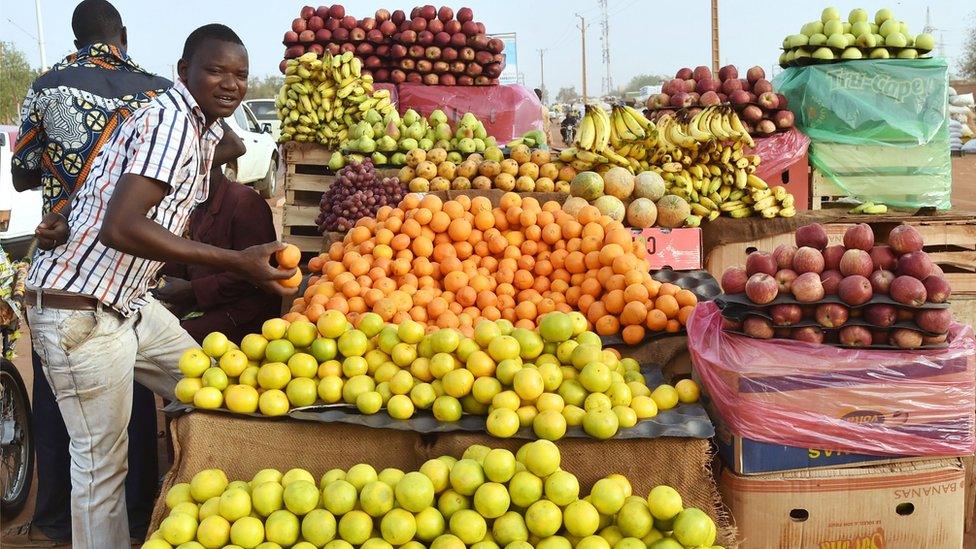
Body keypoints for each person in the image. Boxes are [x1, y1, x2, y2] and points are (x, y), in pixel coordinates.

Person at [23, 23, 295, 549]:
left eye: (240, 74)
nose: (231, 84)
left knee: (215, 386)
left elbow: (107, 171)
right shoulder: (170, 119)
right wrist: (237, 262)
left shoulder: (191, 125)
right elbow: (122, 226)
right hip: (81, 314)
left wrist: (64, 213)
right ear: (182, 72)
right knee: (102, 468)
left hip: (129, 304)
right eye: (214, 71)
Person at [6, 1, 172, 545]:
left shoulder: (47, 85)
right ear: (122, 35)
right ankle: (143, 511)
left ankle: (56, 521)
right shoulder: (157, 92)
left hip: (67, 262)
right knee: (130, 409)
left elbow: (24, 173)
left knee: (71, 417)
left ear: (76, 38)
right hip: (129, 270)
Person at [156, 161, 281, 344]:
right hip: (207, 303)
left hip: (243, 312)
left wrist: (192, 291)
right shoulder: (200, 205)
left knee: (170, 341)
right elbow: (195, 258)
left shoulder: (245, 203)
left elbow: (254, 275)